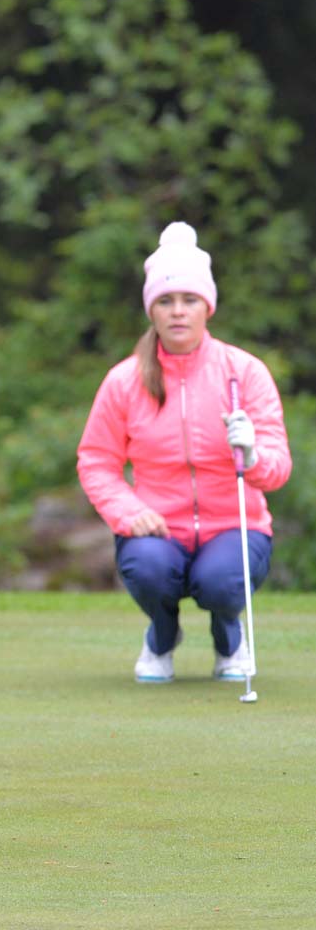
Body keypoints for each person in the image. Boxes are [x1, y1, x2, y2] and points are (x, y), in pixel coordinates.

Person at [77, 222, 291, 684]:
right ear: (151, 309)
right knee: (147, 567)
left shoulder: (244, 373)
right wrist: (127, 511)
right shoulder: (125, 380)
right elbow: (97, 460)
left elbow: (277, 468)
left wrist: (252, 454)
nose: (178, 311)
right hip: (158, 526)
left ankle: (228, 636)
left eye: (189, 300)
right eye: (166, 301)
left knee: (222, 580)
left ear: (207, 306)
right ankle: (162, 632)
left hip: (234, 525)